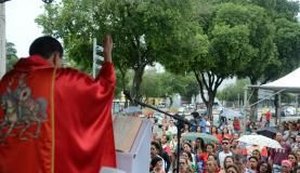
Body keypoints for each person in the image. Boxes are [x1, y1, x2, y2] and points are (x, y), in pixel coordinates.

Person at [0, 35, 116, 172]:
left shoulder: (6, 80)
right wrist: (108, 55)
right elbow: (103, 89)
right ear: (56, 57)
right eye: (61, 60)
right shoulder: (60, 78)